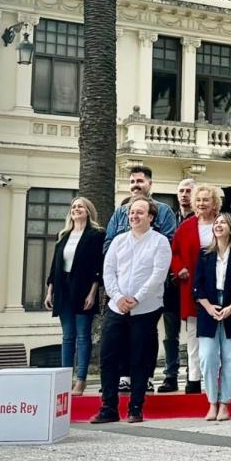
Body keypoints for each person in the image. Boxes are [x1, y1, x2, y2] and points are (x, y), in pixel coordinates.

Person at [91, 197, 171, 424]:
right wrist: (117, 297)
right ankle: (108, 407)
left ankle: (135, 407)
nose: (134, 217)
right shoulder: (118, 241)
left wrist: (136, 298)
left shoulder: (160, 242)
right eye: (131, 213)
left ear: (151, 217)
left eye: (140, 213)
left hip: (146, 308)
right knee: (108, 356)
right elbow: (109, 271)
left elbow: (158, 276)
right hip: (116, 307)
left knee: (139, 358)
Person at [103, 165, 176, 393]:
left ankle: (146, 376)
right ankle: (124, 376)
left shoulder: (164, 210)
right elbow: (109, 242)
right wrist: (116, 290)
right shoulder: (120, 211)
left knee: (146, 336)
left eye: (140, 181)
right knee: (122, 335)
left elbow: (169, 241)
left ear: (150, 184)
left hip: (150, 290)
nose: (136, 185)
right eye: (133, 181)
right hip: (121, 289)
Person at [193, 213, 231, 421]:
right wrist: (208, 307)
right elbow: (197, 285)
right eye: (216, 223)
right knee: (207, 357)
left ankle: (225, 403)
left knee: (230, 358)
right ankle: (211, 402)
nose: (218, 225)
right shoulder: (204, 254)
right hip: (208, 307)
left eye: (222, 222)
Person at [45, 197, 105, 396]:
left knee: (83, 336)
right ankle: (65, 379)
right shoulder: (63, 236)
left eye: (80, 206)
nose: (76, 209)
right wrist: (50, 290)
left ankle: (81, 380)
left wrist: (93, 292)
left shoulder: (96, 235)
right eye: (73, 207)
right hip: (63, 289)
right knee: (67, 337)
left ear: (88, 211)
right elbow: (55, 265)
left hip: (83, 287)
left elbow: (98, 265)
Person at [169, 184, 222, 394]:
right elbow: (174, 253)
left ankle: (216, 379)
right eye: (198, 200)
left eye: (206, 200)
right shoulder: (186, 226)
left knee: (218, 334)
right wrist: (179, 268)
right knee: (193, 334)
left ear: (214, 203)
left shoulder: (222, 223)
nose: (201, 204)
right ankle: (193, 380)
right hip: (192, 286)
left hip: (218, 285)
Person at [158, 179, 196, 393]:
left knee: (194, 332)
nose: (184, 195)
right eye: (181, 191)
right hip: (171, 285)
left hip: (192, 284)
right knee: (170, 333)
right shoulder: (170, 218)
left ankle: (194, 373)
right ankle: (170, 375)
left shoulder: (199, 220)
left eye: (188, 191)